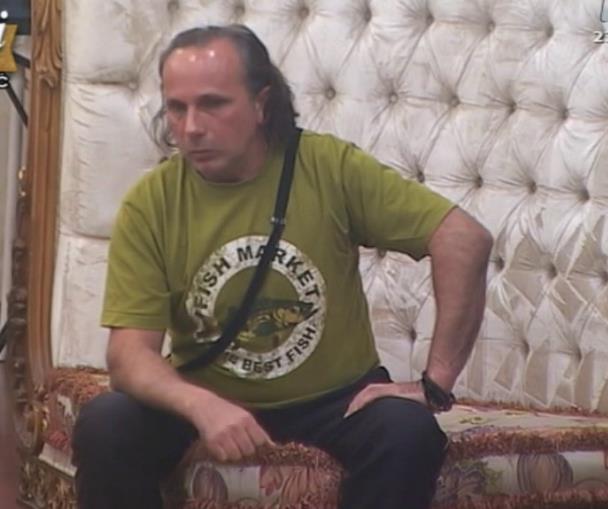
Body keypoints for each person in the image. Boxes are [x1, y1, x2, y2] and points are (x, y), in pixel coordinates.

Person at [72, 24, 492, 509]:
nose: (191, 127)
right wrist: (201, 405)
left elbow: (464, 239)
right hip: (205, 392)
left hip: (335, 401)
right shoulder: (152, 201)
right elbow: (129, 357)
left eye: (213, 104)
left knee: (407, 432)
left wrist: (435, 384)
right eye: (176, 108)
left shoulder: (328, 166)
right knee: (106, 423)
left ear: (261, 104)